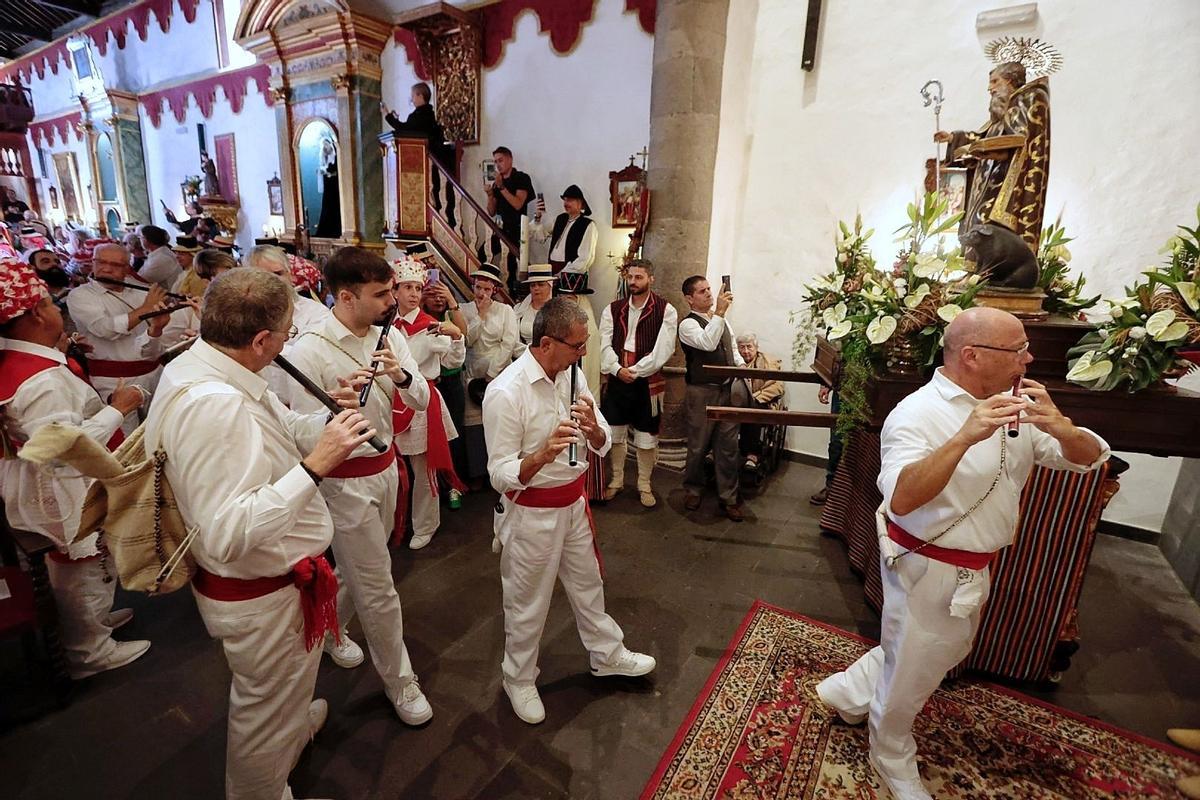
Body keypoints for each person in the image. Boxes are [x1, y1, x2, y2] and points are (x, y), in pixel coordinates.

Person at [815, 306, 1109, 800]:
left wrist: (1059, 426)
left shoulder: (1015, 401)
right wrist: (965, 435)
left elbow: (1088, 459)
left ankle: (847, 692)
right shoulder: (915, 413)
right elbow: (903, 497)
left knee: (939, 649)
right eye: (1018, 350)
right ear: (971, 356)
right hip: (924, 563)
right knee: (912, 670)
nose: (1029, 358)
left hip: (976, 565)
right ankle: (889, 752)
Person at [145, 267, 371, 800]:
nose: (290, 339)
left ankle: (289, 730)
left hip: (276, 581)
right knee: (260, 711)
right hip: (261, 593)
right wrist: (316, 467)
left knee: (281, 696)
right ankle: (260, 785)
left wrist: (327, 423)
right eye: (289, 330)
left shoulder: (215, 367)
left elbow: (281, 429)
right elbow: (226, 531)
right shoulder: (214, 405)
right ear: (262, 339)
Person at [483, 297, 656, 725]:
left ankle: (606, 654)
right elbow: (498, 473)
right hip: (531, 515)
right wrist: (539, 456)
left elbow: (597, 442)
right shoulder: (506, 392)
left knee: (588, 584)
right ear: (546, 343)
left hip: (574, 505)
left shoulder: (572, 375)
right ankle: (518, 678)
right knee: (527, 602)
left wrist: (596, 429)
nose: (584, 354)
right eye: (578, 346)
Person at [287, 247, 436, 725]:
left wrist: (401, 373)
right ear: (346, 297)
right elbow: (292, 428)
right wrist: (331, 407)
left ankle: (333, 631)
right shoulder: (307, 350)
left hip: (387, 469)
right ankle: (401, 682)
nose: (392, 301)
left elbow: (422, 398)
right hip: (344, 484)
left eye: (392, 290)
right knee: (379, 587)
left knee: (361, 569)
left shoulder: (388, 336)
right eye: (382, 293)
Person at [0, 256, 151, 679]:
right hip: (65, 486)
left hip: (49, 481)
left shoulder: (28, 361)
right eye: (49, 304)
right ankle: (89, 650)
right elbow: (66, 445)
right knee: (83, 564)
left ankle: (92, 625)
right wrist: (118, 410)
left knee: (84, 564)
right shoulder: (41, 380)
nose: (57, 309)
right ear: (33, 313)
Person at [936, 60, 1050, 284]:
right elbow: (981, 138)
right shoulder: (999, 119)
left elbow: (1018, 141)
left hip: (1007, 187)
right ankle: (973, 273)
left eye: (995, 81)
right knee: (975, 225)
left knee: (991, 231)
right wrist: (953, 139)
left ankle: (990, 275)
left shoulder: (1025, 105)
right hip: (986, 185)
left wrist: (989, 150)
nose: (990, 88)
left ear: (1010, 81)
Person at [391, 255, 466, 549]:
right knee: (393, 466)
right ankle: (396, 521)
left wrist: (457, 337)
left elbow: (453, 361)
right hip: (392, 400)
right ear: (394, 291)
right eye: (406, 287)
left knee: (424, 468)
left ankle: (425, 524)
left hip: (422, 402)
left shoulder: (431, 325)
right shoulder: (387, 326)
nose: (412, 293)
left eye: (417, 288)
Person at [65, 242, 171, 430]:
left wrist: (159, 324)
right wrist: (146, 309)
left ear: (127, 268)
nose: (106, 269)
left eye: (115, 265)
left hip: (154, 374)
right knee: (126, 439)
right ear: (93, 262)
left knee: (161, 429)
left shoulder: (140, 289)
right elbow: (104, 329)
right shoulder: (80, 296)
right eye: (101, 262)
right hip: (113, 382)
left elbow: (154, 334)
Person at [599, 259, 678, 508]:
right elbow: (603, 343)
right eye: (630, 277)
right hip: (618, 377)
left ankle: (644, 484)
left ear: (650, 279)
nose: (633, 282)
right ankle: (617, 480)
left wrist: (635, 370)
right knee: (616, 432)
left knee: (646, 436)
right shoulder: (612, 309)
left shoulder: (666, 310)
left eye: (639, 277)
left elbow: (663, 349)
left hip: (647, 380)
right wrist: (616, 369)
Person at [678, 275, 746, 521]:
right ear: (689, 298)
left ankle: (729, 497)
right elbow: (707, 343)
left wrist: (740, 367)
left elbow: (732, 348)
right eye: (702, 291)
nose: (708, 294)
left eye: (709, 289)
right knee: (698, 443)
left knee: (728, 446)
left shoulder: (722, 321)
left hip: (727, 389)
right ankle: (693, 489)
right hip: (702, 391)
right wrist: (719, 312)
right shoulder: (687, 325)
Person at [244, 244, 330, 406]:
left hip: (300, 407)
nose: (274, 281)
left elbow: (313, 358)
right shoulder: (241, 315)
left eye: (278, 273)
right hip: (255, 405)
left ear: (290, 275)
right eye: (262, 276)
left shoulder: (316, 313)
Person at [460, 262, 520, 488]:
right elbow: (467, 340)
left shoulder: (506, 310)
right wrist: (480, 315)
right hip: (472, 369)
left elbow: (509, 343)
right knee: (474, 423)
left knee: (498, 420)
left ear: (494, 289)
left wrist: (494, 373)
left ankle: (499, 471)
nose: (481, 293)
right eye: (478, 288)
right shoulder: (463, 309)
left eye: (487, 289)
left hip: (499, 370)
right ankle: (477, 473)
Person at [420, 279, 468, 505]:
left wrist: (451, 300)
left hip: (451, 383)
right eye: (433, 294)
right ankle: (431, 488)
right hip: (427, 386)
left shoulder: (450, 319)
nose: (438, 299)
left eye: (442, 295)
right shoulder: (417, 321)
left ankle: (453, 487)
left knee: (454, 435)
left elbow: (464, 334)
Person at [160, 249, 237, 349]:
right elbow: (161, 348)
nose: (235, 283)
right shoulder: (188, 310)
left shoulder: (244, 305)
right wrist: (188, 347)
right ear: (206, 282)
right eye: (225, 279)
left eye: (235, 275)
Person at [483, 146, 534, 295]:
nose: (498, 165)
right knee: (483, 254)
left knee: (512, 267)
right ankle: (491, 288)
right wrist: (490, 195)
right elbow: (491, 212)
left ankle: (511, 296)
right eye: (495, 162)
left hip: (516, 231)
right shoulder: (497, 182)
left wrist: (502, 187)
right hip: (500, 230)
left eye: (501, 160)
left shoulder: (521, 178)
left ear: (510, 159)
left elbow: (518, 204)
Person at [734, 332, 785, 471]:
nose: (745, 351)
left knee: (753, 411)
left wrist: (755, 397)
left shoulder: (768, 362)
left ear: (756, 347)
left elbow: (778, 386)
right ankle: (719, 450)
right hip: (736, 403)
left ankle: (752, 455)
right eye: (741, 347)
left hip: (760, 403)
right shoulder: (734, 361)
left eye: (749, 347)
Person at [529, 184, 596, 276]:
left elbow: (585, 257)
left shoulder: (588, 225)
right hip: (551, 269)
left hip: (571, 274)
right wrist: (537, 218)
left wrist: (564, 273)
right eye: (564, 200)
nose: (565, 203)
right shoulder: (560, 219)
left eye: (569, 200)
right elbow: (540, 237)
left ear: (580, 203)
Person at [811, 384, 843, 505]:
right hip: (842, 392)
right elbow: (833, 365)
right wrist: (826, 384)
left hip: (868, 392)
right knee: (836, 442)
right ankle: (831, 487)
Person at [513, 264, 554, 353]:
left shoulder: (558, 311)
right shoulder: (519, 310)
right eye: (533, 285)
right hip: (524, 355)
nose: (536, 288)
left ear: (550, 286)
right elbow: (514, 341)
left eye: (541, 285)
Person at [137, 224, 180, 289]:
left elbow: (142, 280)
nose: (140, 239)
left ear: (148, 240)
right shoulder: (158, 253)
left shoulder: (161, 258)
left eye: (141, 237)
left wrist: (129, 271)